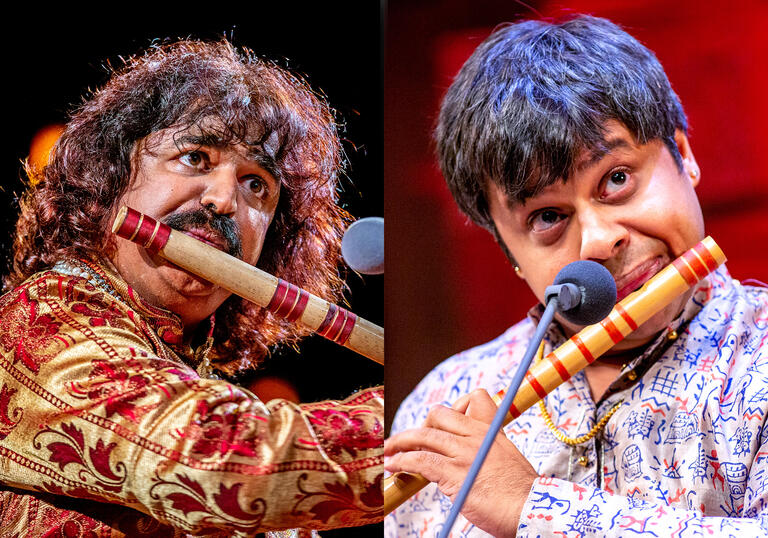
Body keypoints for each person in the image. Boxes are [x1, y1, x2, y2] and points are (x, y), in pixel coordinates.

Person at [384, 15, 768, 537]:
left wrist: (532, 508)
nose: (597, 240)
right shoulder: (442, 401)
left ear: (687, 156)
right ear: (509, 253)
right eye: (547, 217)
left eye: (616, 179)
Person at [0, 39, 383, 537]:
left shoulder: (185, 370)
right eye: (196, 157)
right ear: (112, 178)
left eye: (256, 184)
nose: (224, 199)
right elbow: (218, 461)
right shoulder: (40, 319)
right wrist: (411, 416)